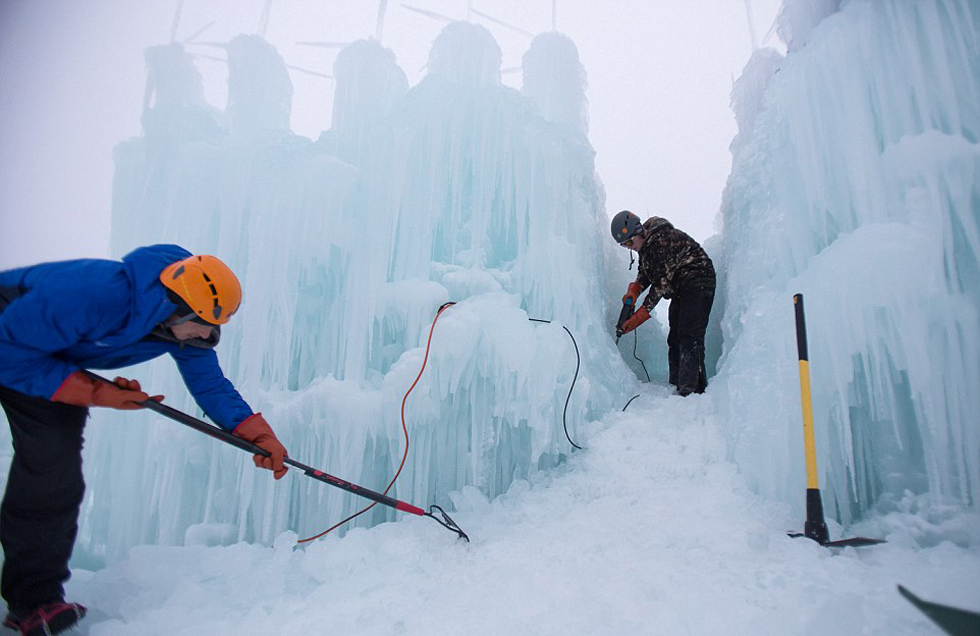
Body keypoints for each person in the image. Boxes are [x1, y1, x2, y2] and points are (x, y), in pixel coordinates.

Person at [0, 244, 288, 636]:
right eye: (203, 324)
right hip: (9, 339)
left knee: (53, 470)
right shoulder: (96, 293)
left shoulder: (185, 331)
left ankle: (33, 602)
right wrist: (98, 392)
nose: (210, 335)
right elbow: (8, 349)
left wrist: (258, 435)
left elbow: (211, 385)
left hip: (46, 363)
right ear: (177, 309)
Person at [611, 210, 716, 396]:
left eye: (629, 242)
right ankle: (677, 385)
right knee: (674, 337)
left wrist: (639, 316)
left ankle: (692, 391)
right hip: (680, 288)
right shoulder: (645, 248)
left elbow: (660, 284)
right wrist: (634, 291)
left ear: (639, 230)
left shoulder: (661, 240)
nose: (629, 247)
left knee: (689, 336)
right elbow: (646, 273)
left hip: (699, 280)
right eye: (624, 245)